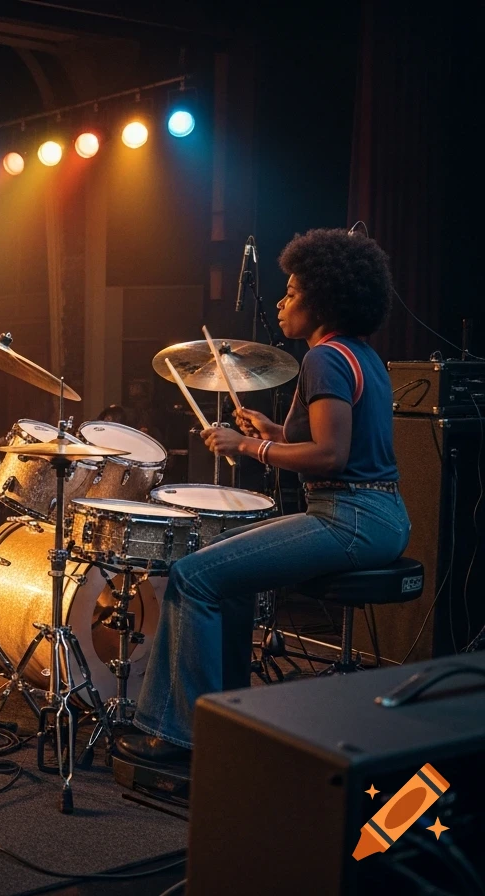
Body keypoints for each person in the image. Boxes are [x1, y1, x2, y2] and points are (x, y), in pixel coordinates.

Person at [116, 229, 411, 770]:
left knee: (192, 576)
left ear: (324, 299)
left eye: (293, 291)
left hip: (351, 516)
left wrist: (249, 444)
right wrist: (272, 429)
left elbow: (330, 457)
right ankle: (229, 721)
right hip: (373, 512)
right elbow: (339, 442)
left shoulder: (324, 359)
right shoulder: (360, 355)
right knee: (225, 575)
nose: (281, 301)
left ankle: (179, 737)